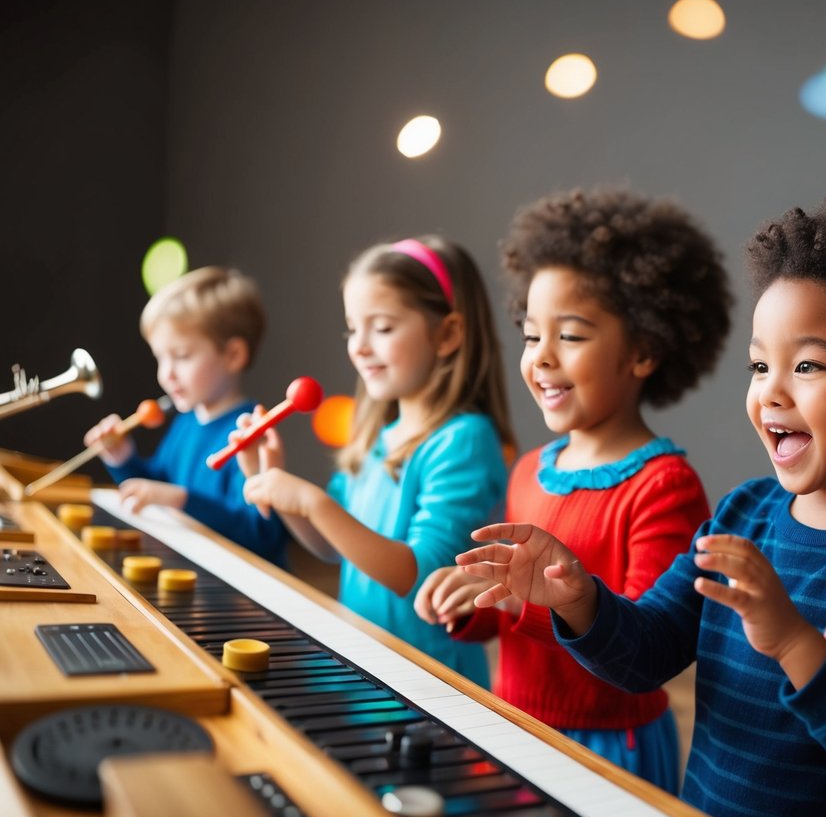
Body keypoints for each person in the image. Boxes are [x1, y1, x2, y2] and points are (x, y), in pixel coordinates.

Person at [455, 197, 826, 817]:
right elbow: (647, 655)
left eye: (807, 365)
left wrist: (794, 643)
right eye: (760, 365)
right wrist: (578, 599)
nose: (771, 392)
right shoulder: (743, 516)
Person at [413, 187, 733, 793]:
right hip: (515, 728)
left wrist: (522, 602)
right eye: (532, 336)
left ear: (643, 351)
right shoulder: (528, 470)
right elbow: (511, 624)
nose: (542, 358)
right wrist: (471, 604)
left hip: (609, 748)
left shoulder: (664, 486)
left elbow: (646, 645)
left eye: (572, 336)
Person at [236, 236, 514, 687]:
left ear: (447, 334)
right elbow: (331, 545)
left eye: (382, 328)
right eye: (352, 329)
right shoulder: (377, 437)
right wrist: (271, 480)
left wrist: (311, 502)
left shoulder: (464, 440)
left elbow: (420, 574)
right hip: (367, 665)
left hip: (430, 682)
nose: (359, 347)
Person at [85, 266, 289, 566]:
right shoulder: (187, 422)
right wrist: (123, 459)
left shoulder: (250, 433)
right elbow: (154, 489)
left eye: (181, 356)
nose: (166, 374)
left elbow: (260, 534)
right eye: (160, 358)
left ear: (233, 355)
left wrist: (179, 499)